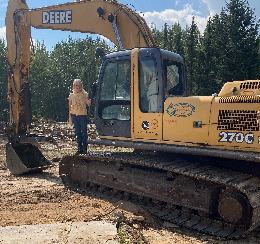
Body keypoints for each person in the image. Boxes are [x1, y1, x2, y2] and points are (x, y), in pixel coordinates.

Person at [68, 79, 91, 154]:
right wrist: (70, 118)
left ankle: (84, 149)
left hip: (82, 116)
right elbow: (70, 108)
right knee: (77, 133)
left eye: (78, 85)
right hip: (74, 116)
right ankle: (79, 149)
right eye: (75, 85)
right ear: (73, 86)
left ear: (81, 86)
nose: (77, 87)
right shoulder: (71, 95)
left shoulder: (85, 94)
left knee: (84, 133)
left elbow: (88, 104)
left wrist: (89, 101)